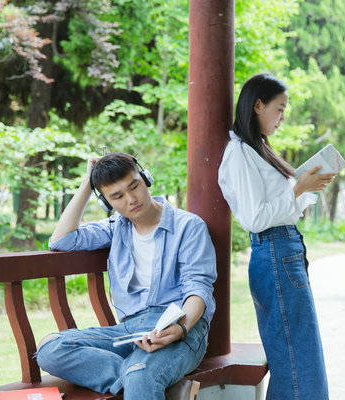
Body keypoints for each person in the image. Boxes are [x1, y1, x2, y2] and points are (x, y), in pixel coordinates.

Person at [36, 152, 217, 400]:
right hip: (131, 330)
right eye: (117, 196)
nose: (131, 199)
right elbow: (61, 240)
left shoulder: (188, 226)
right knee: (50, 349)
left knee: (140, 374)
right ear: (107, 202)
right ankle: (150, 382)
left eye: (135, 186)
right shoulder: (114, 229)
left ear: (145, 179)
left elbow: (198, 289)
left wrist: (181, 328)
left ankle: (143, 377)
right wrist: (87, 184)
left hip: (181, 327)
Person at [218, 73, 336, 400]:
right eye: (280, 109)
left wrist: (307, 187)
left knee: (300, 358)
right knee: (298, 364)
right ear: (258, 105)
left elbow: (281, 209)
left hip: (283, 250)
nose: (283, 118)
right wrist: (298, 187)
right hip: (273, 251)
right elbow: (256, 218)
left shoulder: (259, 149)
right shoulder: (239, 152)